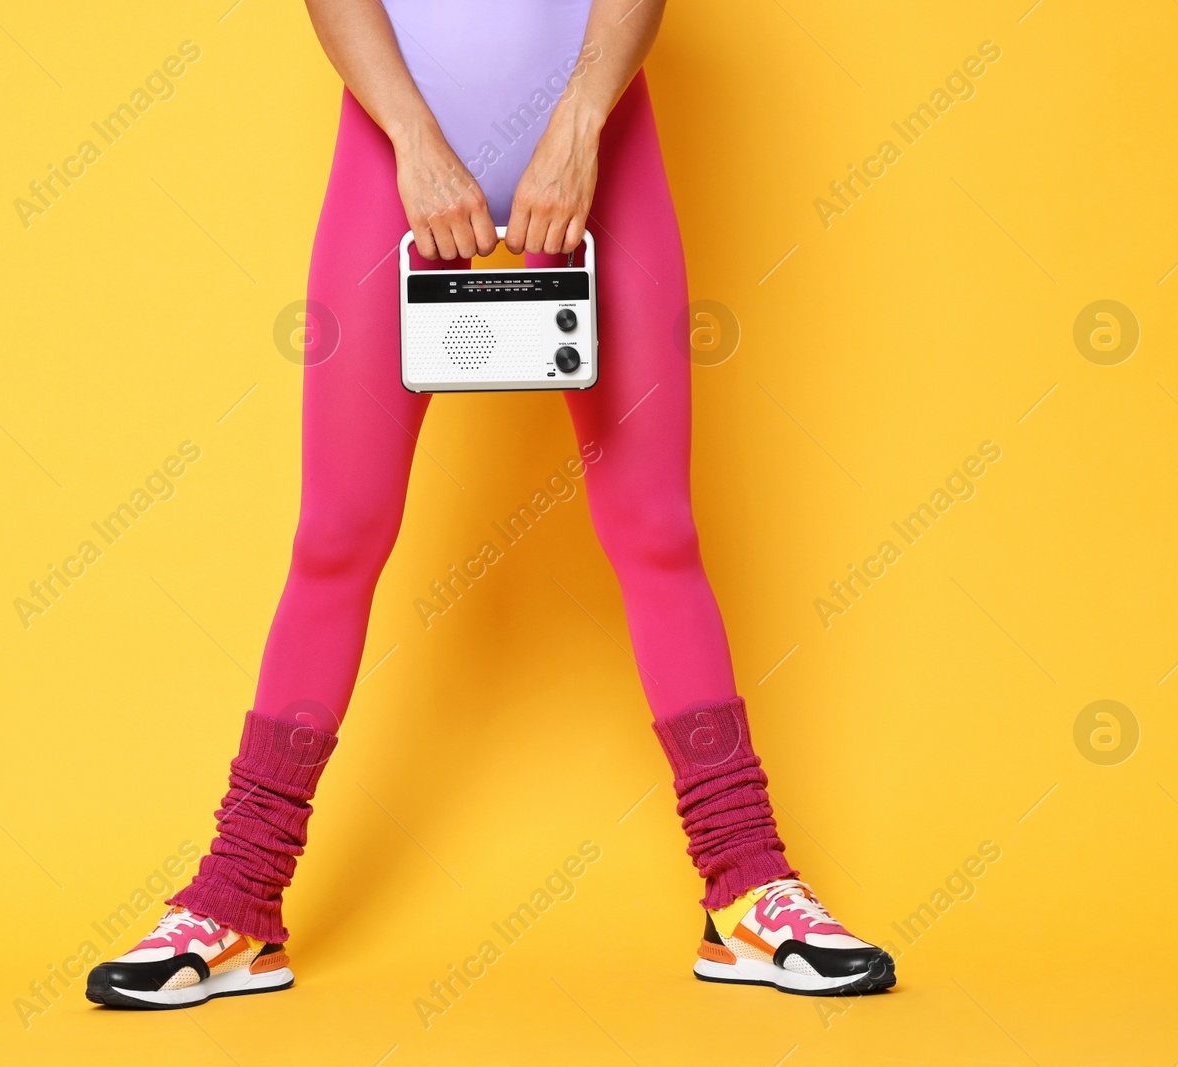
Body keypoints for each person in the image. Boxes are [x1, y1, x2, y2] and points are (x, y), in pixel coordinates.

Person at [86, 0, 894, 1009]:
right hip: (395, 161)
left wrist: (582, 119)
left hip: (598, 152)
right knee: (335, 536)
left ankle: (748, 886)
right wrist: (415, 142)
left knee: (656, 528)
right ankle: (238, 898)